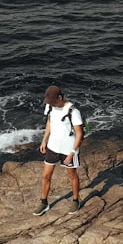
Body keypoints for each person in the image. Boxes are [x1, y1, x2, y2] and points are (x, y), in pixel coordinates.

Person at [33, 85, 84, 215]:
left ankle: (75, 200)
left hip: (68, 150)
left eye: (53, 102)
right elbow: (50, 121)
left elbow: (79, 134)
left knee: (72, 176)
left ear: (60, 97)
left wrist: (72, 153)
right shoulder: (50, 106)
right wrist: (44, 139)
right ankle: (44, 202)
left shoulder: (73, 111)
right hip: (52, 147)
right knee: (46, 176)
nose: (51, 104)